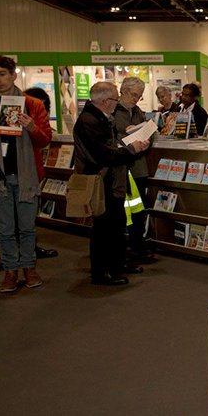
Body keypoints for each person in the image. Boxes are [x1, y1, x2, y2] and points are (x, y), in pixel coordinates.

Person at [73, 82, 149, 286]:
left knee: (116, 224)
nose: (117, 102)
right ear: (106, 101)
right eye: (116, 98)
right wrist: (132, 148)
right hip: (102, 181)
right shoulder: (89, 121)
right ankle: (102, 272)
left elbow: (110, 148)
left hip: (113, 181)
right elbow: (104, 154)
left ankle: (117, 263)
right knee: (104, 228)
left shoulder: (101, 118)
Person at [0, 56, 53, 292]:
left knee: (27, 227)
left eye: (1, 74)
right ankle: (10, 271)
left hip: (26, 176)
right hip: (0, 177)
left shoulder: (33, 104)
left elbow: (45, 139)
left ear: (13, 75)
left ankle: (29, 267)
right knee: (5, 229)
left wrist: (31, 127)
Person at [114, 76, 154, 264]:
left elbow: (149, 133)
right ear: (123, 91)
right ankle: (123, 249)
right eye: (134, 95)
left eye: (139, 96)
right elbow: (111, 139)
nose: (136, 99)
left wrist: (145, 140)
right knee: (121, 213)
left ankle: (138, 244)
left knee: (139, 210)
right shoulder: (112, 111)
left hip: (138, 168)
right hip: (121, 168)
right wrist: (129, 139)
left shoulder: (138, 112)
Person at [22, 86, 59, 260]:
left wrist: (33, 128)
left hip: (31, 171)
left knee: (28, 217)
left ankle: (28, 255)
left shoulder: (33, 108)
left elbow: (44, 139)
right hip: (15, 172)